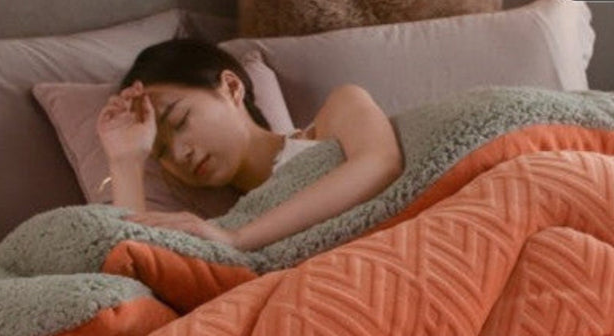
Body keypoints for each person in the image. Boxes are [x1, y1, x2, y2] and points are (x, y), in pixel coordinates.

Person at [96, 39, 404, 251]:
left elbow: (379, 162)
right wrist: (127, 161)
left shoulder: (337, 112)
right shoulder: (219, 226)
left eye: (180, 121)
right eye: (160, 152)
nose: (179, 153)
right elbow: (135, 262)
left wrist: (239, 239)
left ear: (231, 87)